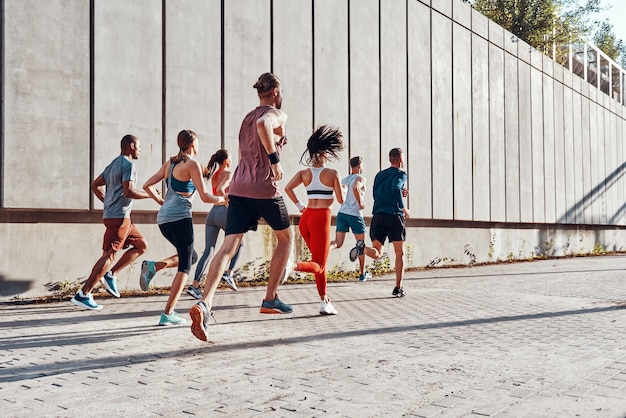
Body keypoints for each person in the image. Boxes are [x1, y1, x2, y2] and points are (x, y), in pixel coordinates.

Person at [189, 72, 292, 342]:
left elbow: (259, 132)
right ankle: (270, 299)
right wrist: (275, 160)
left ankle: (205, 304)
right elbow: (264, 125)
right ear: (276, 91)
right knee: (286, 238)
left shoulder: (246, 117)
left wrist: (277, 143)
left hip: (239, 189)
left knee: (228, 246)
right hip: (264, 188)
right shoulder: (274, 114)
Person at [142, 129, 225, 326]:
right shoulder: (192, 164)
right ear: (193, 144)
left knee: (191, 256)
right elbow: (205, 197)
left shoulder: (170, 164)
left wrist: (163, 202)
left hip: (164, 220)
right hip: (180, 218)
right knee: (185, 266)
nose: (199, 146)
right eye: (197, 142)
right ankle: (168, 313)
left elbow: (147, 185)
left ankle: (154, 266)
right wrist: (225, 200)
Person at [71, 135, 150, 310]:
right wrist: (149, 194)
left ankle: (111, 274)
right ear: (131, 146)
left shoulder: (113, 163)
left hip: (121, 218)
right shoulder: (128, 165)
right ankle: (83, 294)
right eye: (139, 146)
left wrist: (107, 202)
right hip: (119, 217)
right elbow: (128, 191)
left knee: (141, 245)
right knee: (109, 255)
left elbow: (95, 185)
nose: (140, 150)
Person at [285, 125, 344, 315]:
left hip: (306, 218)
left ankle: (324, 301)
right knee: (318, 265)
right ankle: (293, 266)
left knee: (321, 264)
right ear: (325, 154)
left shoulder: (304, 173)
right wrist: (344, 188)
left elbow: (288, 188)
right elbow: (341, 200)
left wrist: (300, 205)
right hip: (321, 219)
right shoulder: (333, 174)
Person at [349, 148, 409, 297]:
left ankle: (363, 250)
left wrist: (400, 193)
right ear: (401, 160)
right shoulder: (401, 174)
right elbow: (395, 187)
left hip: (378, 215)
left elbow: (377, 193)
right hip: (394, 216)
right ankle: (398, 288)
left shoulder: (379, 175)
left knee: (377, 252)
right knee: (399, 253)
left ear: (390, 159)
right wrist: (403, 207)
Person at [187, 149, 242, 299]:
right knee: (239, 243)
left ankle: (195, 285)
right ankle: (229, 273)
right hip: (224, 213)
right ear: (225, 161)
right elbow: (220, 190)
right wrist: (227, 200)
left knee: (208, 251)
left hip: (212, 214)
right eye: (230, 158)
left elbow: (215, 189)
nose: (231, 161)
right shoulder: (228, 174)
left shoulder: (215, 175)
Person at [329, 156, 370, 282]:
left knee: (337, 243)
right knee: (361, 244)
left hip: (342, 213)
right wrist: (360, 202)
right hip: (355, 214)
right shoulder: (360, 178)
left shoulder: (344, 180)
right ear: (359, 166)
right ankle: (362, 274)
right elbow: (355, 187)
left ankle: (324, 251)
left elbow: (337, 193)